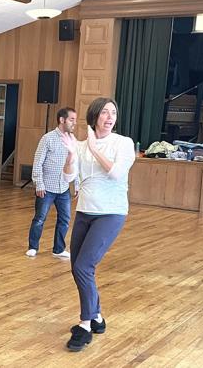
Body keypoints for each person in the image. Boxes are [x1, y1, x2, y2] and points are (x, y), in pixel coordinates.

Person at [59, 97, 135, 352]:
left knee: (84, 266)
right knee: (78, 268)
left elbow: (115, 173)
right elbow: (68, 176)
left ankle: (85, 325)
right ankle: (98, 317)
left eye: (113, 112)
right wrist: (72, 154)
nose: (110, 117)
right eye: (104, 112)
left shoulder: (123, 143)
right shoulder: (80, 146)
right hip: (84, 211)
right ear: (94, 117)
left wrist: (93, 149)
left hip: (111, 213)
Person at [25, 107, 77, 259]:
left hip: (64, 188)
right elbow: (37, 162)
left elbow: (76, 163)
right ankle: (33, 246)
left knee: (65, 219)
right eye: (71, 119)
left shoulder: (73, 140)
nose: (74, 123)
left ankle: (59, 249)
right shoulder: (47, 138)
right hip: (47, 187)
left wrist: (77, 184)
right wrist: (38, 183)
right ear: (62, 120)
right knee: (40, 218)